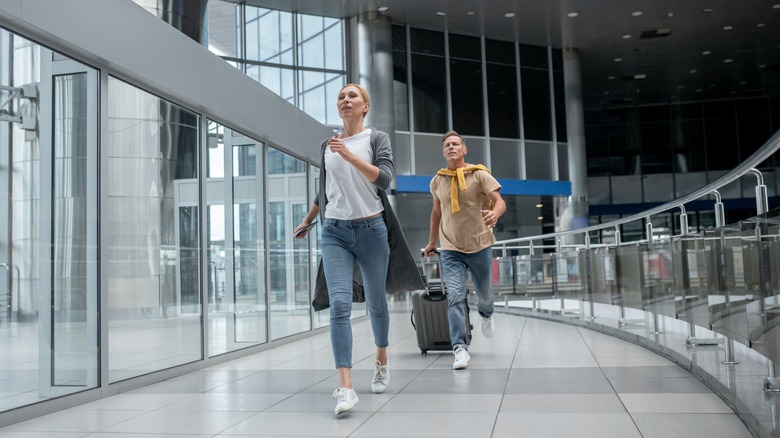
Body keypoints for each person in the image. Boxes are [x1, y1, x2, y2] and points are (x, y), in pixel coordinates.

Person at [294, 84, 423, 415]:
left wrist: (350, 156)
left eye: (352, 96)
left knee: (376, 303)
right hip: (334, 231)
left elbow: (385, 180)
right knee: (339, 303)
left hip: (371, 231)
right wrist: (309, 219)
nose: (345, 100)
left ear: (365, 106)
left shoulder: (375, 139)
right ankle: (346, 386)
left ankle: (381, 357)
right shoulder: (326, 145)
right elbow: (323, 190)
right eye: (341, 97)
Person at [422, 130, 506, 370]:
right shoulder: (437, 180)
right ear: (443, 151)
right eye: (447, 144)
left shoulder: (479, 174)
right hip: (451, 249)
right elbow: (436, 213)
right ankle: (459, 348)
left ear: (464, 149)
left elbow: (500, 202)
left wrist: (495, 213)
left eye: (456, 143)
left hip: (479, 245)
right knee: (456, 297)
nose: (451, 147)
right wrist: (432, 242)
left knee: (485, 295)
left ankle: (487, 314)